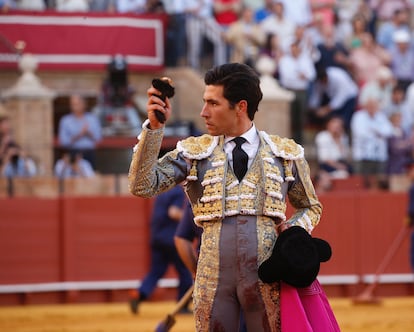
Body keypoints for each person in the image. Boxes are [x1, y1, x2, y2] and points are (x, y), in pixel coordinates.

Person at [128, 63, 329, 331]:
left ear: (240, 107)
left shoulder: (285, 154)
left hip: (267, 276)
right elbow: (142, 185)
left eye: (213, 103)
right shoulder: (194, 152)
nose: (203, 112)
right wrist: (153, 129)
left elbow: (310, 206)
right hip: (213, 279)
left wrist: (293, 232)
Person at [129, 185, 193, 315]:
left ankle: (139, 294)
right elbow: (173, 212)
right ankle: (182, 305)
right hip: (172, 239)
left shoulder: (162, 192)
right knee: (185, 271)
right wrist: (190, 219)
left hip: (157, 237)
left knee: (156, 271)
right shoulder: (177, 192)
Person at [350, 92, 394, 189]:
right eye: (370, 106)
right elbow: (361, 134)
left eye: (374, 106)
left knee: (378, 182)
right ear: (365, 106)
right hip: (362, 156)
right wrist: (378, 133)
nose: (372, 108)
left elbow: (389, 131)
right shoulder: (358, 116)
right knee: (360, 182)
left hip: (379, 156)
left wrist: (374, 130)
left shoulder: (380, 116)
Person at [58, 94, 102, 169]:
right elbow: (63, 142)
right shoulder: (65, 120)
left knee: (90, 178)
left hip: (89, 153)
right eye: (72, 104)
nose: (74, 106)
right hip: (72, 154)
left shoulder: (92, 119)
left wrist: (88, 133)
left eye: (77, 104)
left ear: (84, 104)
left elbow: (98, 138)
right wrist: (80, 134)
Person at [314, 115, 353, 193]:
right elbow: (325, 158)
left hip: (340, 162)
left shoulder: (342, 137)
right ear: (328, 125)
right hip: (327, 165)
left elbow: (344, 155)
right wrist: (339, 166)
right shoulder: (323, 136)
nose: (337, 128)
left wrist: (338, 140)